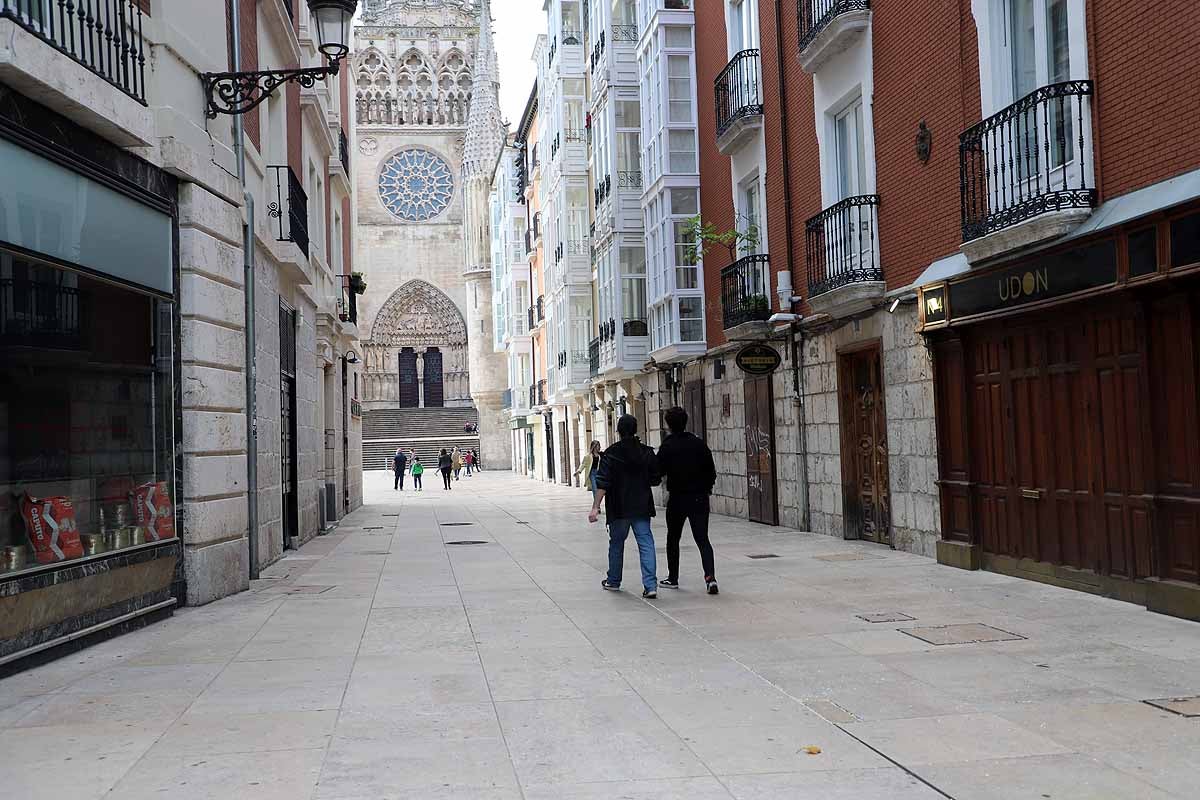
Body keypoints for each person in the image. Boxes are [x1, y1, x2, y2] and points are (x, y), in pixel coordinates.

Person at [589, 415, 661, 599]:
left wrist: (596, 507)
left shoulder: (611, 453)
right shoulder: (646, 452)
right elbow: (655, 478)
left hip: (618, 507)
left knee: (616, 543)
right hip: (641, 506)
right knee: (646, 543)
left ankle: (613, 580)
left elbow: (603, 483)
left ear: (618, 431)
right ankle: (650, 585)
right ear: (635, 429)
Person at [656, 407, 719, 595]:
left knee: (673, 538)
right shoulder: (699, 443)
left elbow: (658, 471)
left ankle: (673, 577)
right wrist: (706, 489)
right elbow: (711, 471)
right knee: (702, 539)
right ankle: (710, 578)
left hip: (677, 498)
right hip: (699, 497)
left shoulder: (667, 445)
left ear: (668, 425)